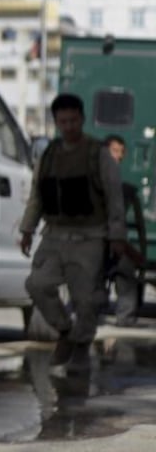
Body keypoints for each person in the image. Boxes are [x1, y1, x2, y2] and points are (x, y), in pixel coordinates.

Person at [20, 94, 126, 375]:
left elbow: (115, 197)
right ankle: (65, 331)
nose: (68, 126)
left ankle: (81, 345)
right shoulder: (50, 154)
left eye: (73, 120)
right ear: (56, 122)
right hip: (55, 234)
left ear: (82, 119)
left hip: (89, 236)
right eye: (63, 121)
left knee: (86, 299)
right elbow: (37, 196)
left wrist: (116, 236)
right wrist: (27, 229)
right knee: (37, 284)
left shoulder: (97, 154)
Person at [103, 134, 146, 327]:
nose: (119, 156)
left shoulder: (118, 185)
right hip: (94, 242)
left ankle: (125, 319)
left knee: (126, 269)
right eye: (115, 151)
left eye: (121, 152)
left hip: (112, 242)